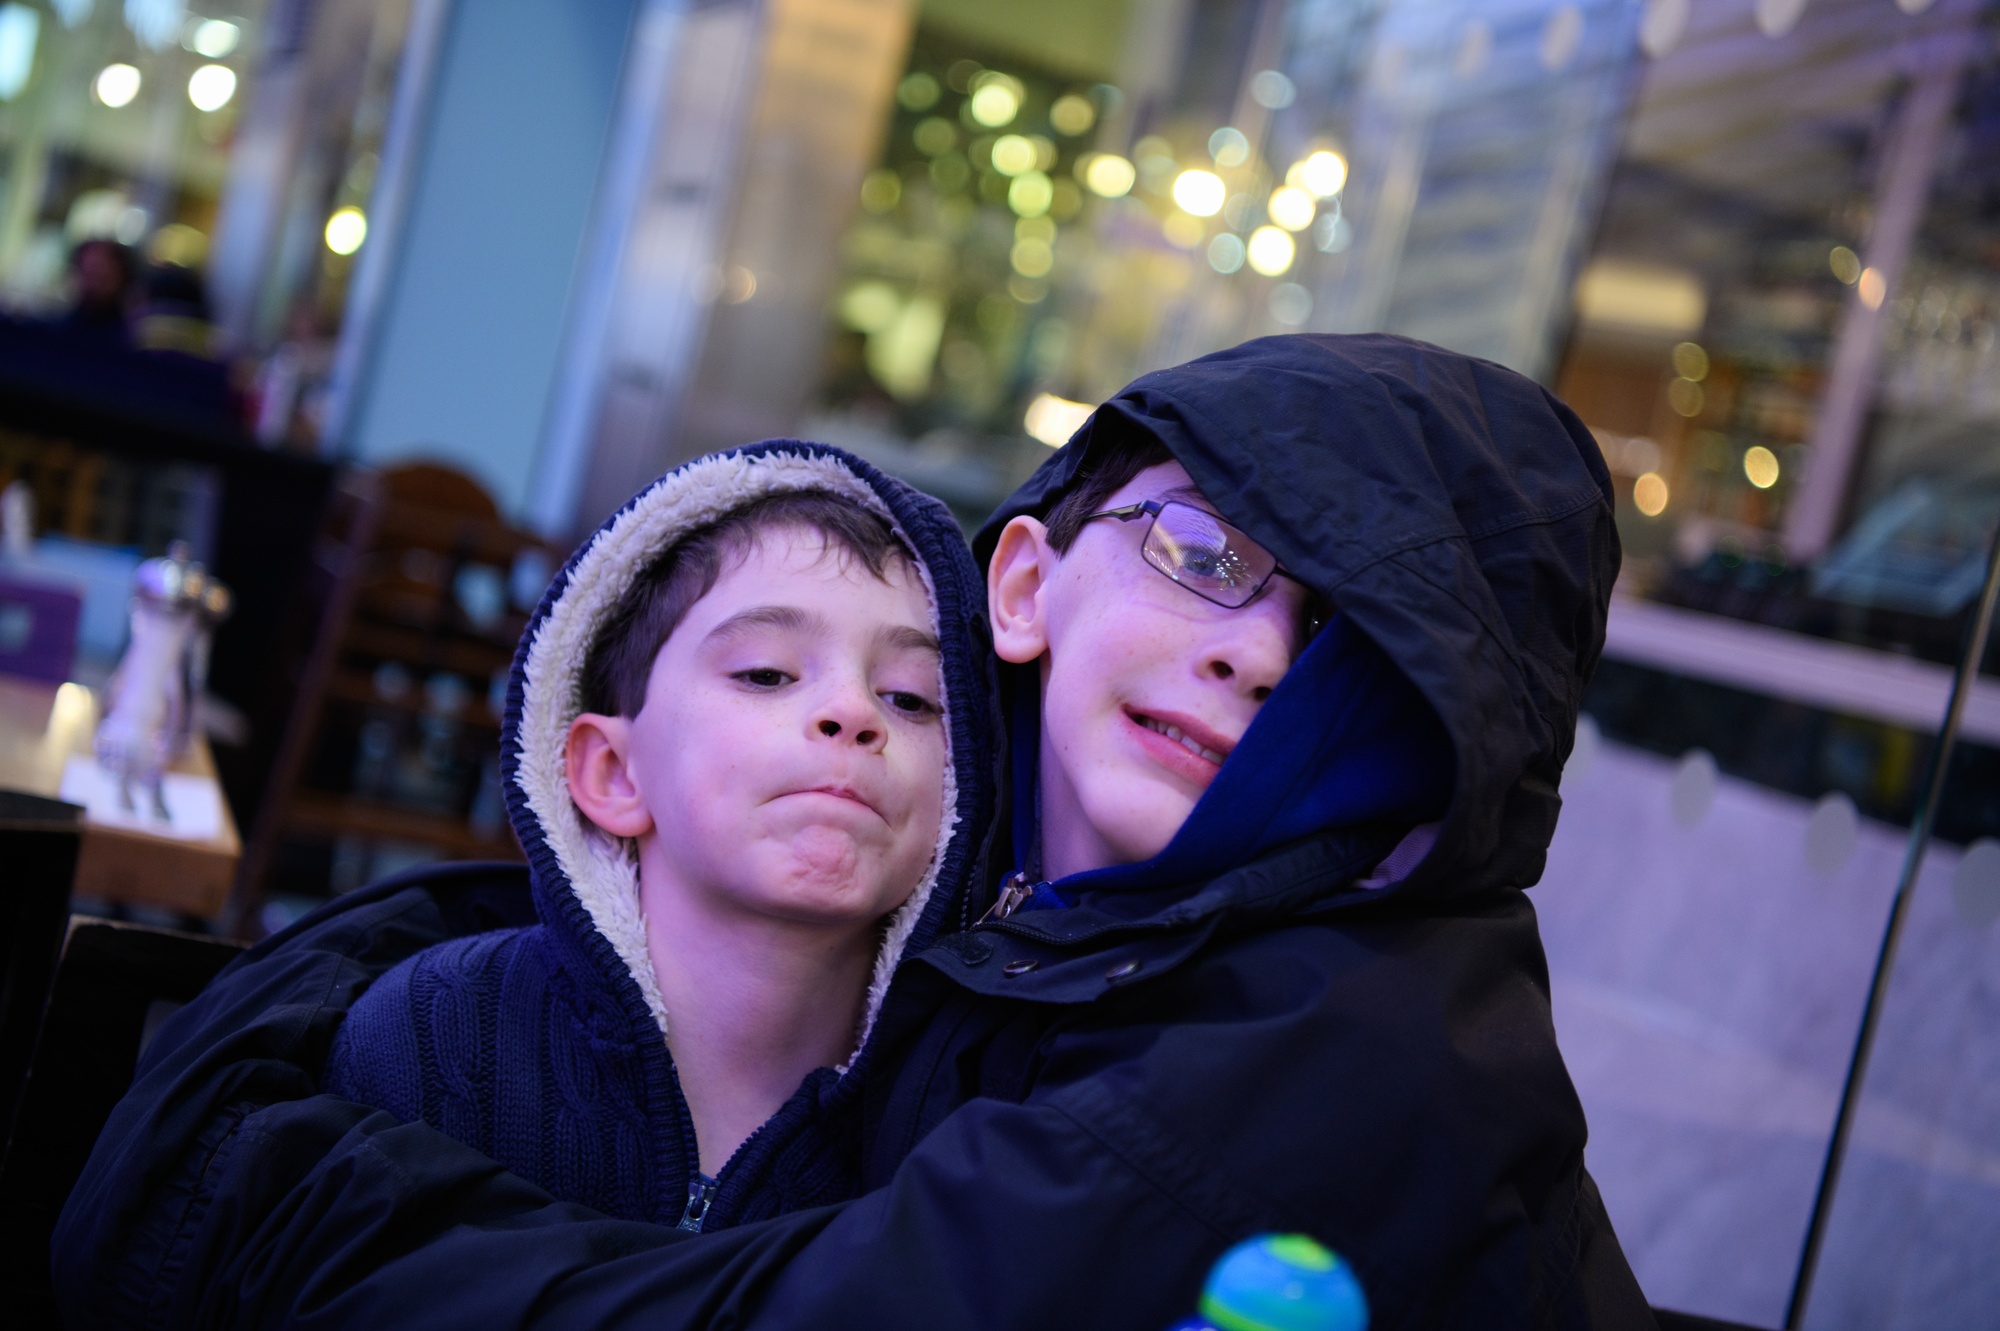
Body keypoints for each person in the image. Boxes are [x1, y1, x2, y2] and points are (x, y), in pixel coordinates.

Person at [56, 334, 1653, 1329]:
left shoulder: (1346, 1046)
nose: (1253, 654)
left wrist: (274, 1200)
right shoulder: (992, 924)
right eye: (1203, 552)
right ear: (1025, 586)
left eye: (1352, 649)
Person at [316, 453, 989, 1228]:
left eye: (909, 697)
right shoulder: (432, 1041)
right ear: (614, 772)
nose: (854, 710)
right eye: (766, 674)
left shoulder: (969, 1141)